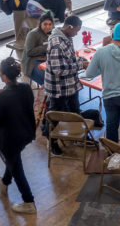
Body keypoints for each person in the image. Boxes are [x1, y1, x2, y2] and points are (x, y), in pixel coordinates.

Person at [0, 57, 36, 215]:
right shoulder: (26, 88)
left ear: (3, 76)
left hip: (10, 138)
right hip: (26, 132)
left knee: (17, 168)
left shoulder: (2, 97)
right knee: (14, 159)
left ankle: (29, 202)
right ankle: (4, 183)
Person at [44, 15, 87, 156]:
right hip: (58, 88)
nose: (77, 34)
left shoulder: (67, 38)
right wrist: (81, 65)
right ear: (70, 27)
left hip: (70, 85)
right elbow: (59, 70)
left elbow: (71, 58)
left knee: (75, 110)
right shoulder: (56, 43)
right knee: (56, 116)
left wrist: (82, 60)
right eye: (77, 30)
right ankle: (52, 141)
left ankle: (75, 136)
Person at [21, 11, 54, 85]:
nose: (48, 27)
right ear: (40, 24)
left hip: (46, 60)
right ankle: (50, 91)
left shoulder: (52, 32)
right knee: (48, 77)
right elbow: (29, 52)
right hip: (32, 63)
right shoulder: (33, 34)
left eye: (50, 24)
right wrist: (46, 47)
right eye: (45, 24)